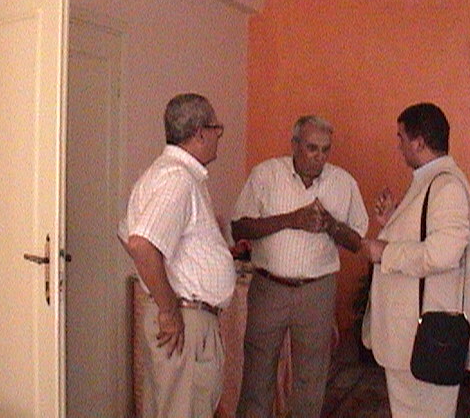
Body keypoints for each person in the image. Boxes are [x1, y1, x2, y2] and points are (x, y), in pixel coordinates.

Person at [233, 115, 369, 418]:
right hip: (269, 287)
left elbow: (357, 241)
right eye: (311, 148)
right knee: (257, 372)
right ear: (294, 145)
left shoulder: (343, 183)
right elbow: (239, 227)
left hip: (317, 291)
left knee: (311, 377)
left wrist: (331, 225)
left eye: (325, 149)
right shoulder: (266, 175)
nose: (319, 157)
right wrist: (291, 220)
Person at [361, 102, 470, 418]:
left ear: (418, 142)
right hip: (411, 338)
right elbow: (423, 240)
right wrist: (391, 222)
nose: (398, 146)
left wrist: (384, 251)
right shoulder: (429, 181)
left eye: (401, 137)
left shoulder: (447, 186)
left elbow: (444, 253)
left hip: (426, 339)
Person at [118, 93, 236, 417]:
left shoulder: (165, 174)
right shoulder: (177, 179)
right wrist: (169, 310)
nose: (218, 136)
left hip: (186, 316)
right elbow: (141, 245)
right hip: (185, 320)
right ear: (200, 133)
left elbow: (127, 233)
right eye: (216, 129)